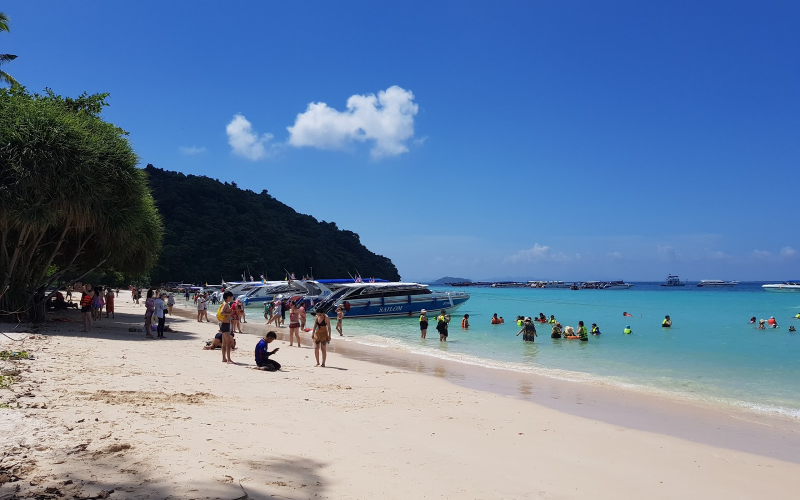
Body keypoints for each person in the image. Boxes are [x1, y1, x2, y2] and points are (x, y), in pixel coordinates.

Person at [217, 291, 235, 363]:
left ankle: (224, 358)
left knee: (224, 343)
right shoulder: (226, 304)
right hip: (225, 324)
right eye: (231, 297)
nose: (231, 298)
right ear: (228, 297)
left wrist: (229, 313)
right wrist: (229, 313)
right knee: (228, 343)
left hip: (224, 324)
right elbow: (222, 312)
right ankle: (229, 359)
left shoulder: (224, 304)